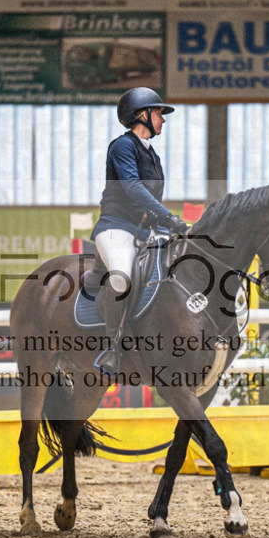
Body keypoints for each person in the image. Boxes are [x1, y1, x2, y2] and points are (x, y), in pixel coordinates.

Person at [91, 87, 187, 376]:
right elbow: (132, 189)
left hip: (145, 231)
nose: (163, 120)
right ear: (142, 115)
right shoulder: (122, 146)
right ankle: (111, 347)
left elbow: (150, 200)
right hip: (116, 227)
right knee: (122, 277)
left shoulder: (152, 155)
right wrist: (168, 216)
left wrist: (166, 227)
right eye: (158, 113)